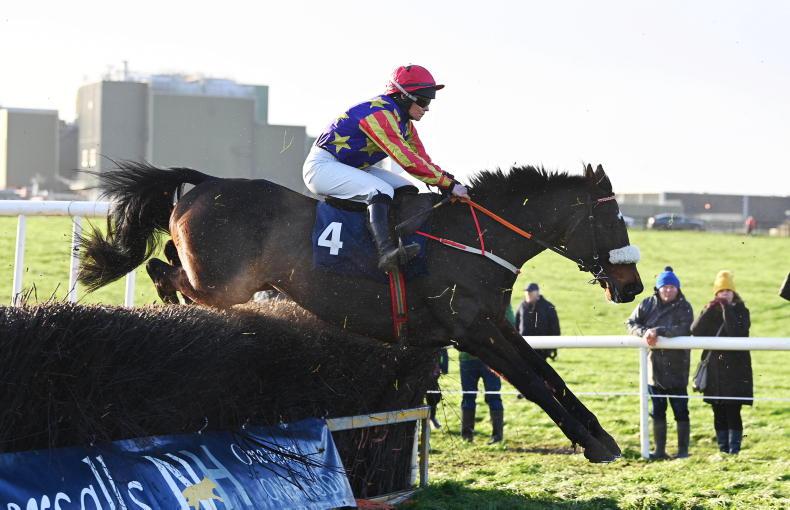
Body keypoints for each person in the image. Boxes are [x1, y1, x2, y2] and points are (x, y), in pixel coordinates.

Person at [303, 64, 469, 272]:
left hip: (353, 167)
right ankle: (385, 252)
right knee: (381, 191)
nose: (427, 108)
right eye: (423, 101)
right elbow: (406, 159)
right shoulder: (380, 115)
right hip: (323, 167)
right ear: (404, 97)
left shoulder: (405, 124)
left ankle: (397, 238)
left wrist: (448, 181)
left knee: (406, 188)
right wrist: (447, 184)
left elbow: (421, 159)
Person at [626, 267, 694, 459]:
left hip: (678, 368)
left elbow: (684, 328)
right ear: (658, 288)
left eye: (672, 287)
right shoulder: (647, 304)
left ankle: (682, 452)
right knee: (657, 411)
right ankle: (659, 451)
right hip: (653, 368)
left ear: (677, 289)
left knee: (681, 411)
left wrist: (658, 331)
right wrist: (645, 333)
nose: (668, 290)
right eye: (665, 287)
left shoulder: (685, 306)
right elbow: (631, 323)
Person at [691, 270, 752, 455]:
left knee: (733, 411)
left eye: (728, 291)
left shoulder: (742, 310)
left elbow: (736, 332)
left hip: (736, 370)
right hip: (714, 370)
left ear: (734, 293)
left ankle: (734, 450)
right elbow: (695, 331)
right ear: (716, 293)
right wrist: (708, 310)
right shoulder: (711, 309)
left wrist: (727, 309)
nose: (725, 294)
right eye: (721, 291)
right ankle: (723, 449)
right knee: (718, 411)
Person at [458, 304, 512, 444]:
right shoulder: (461, 297)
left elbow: (509, 323)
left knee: (493, 396)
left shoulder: (499, 298)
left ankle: (497, 436)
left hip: (489, 359)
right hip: (469, 358)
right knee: (468, 396)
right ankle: (467, 436)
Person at [515, 283, 560, 360]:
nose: (528, 294)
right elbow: (516, 325)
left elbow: (554, 328)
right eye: (527, 292)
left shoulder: (547, 306)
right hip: (524, 348)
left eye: (530, 292)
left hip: (542, 348)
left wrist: (553, 348)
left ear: (537, 293)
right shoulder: (522, 306)